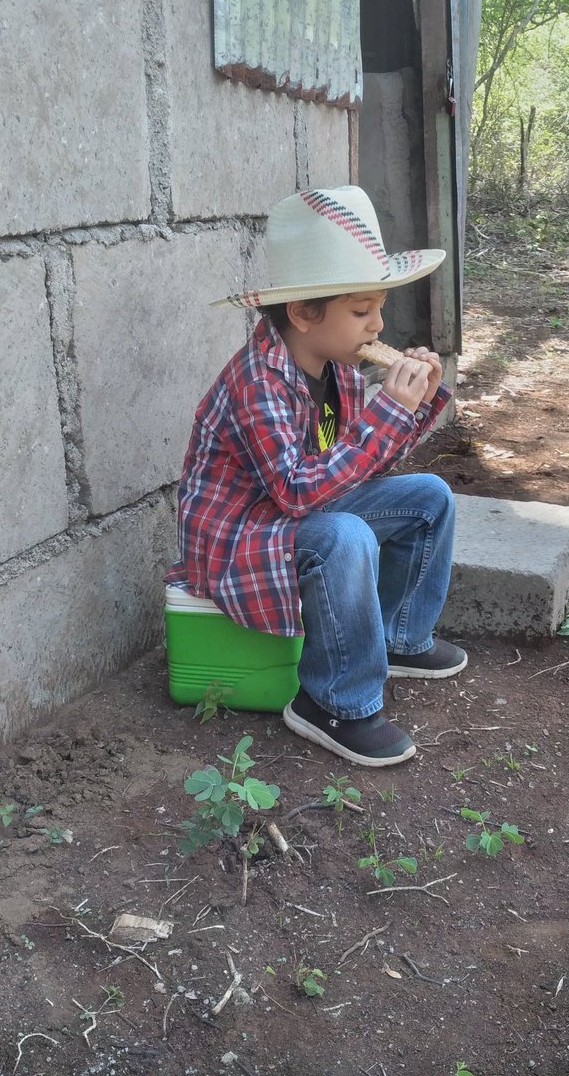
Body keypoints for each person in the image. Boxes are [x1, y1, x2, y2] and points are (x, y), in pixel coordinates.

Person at [166, 186, 467, 767]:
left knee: (429, 497)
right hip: (240, 539)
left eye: (378, 307)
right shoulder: (258, 382)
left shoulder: (340, 368)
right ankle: (334, 703)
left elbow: (352, 467)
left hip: (296, 516)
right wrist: (390, 413)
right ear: (303, 313)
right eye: (360, 311)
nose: (377, 325)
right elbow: (297, 490)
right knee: (345, 536)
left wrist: (415, 406)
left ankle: (399, 637)